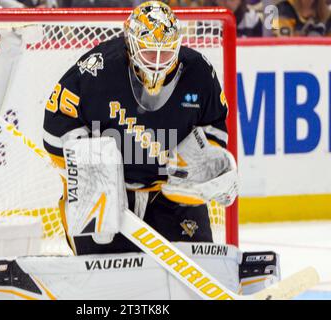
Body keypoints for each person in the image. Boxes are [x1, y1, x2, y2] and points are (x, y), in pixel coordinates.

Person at [43, 0, 238, 256]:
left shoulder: (199, 72)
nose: (157, 62)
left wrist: (206, 161)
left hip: (169, 192)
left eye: (166, 53)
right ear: (131, 44)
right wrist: (91, 170)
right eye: (148, 52)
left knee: (198, 264)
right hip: (108, 193)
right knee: (102, 272)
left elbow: (215, 123)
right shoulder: (97, 69)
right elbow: (57, 118)